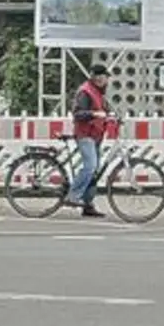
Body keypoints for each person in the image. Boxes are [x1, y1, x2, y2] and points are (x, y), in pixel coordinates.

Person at [68, 64, 116, 218]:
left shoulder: (99, 93)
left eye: (106, 77)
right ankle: (73, 195)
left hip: (96, 135)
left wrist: (113, 116)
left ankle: (87, 205)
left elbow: (105, 110)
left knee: (95, 172)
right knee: (90, 166)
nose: (106, 80)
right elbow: (78, 114)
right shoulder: (85, 91)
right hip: (85, 135)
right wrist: (95, 114)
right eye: (104, 76)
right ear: (96, 77)